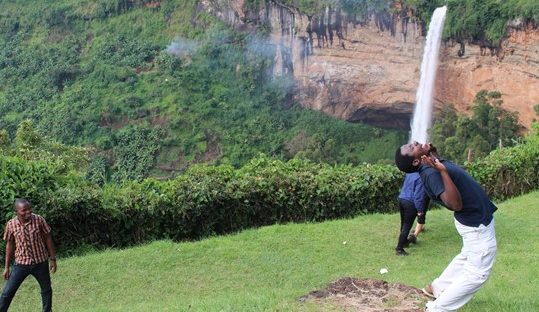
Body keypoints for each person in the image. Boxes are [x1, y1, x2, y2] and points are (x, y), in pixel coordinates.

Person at [395, 141, 497, 312]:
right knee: (477, 274)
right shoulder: (430, 173)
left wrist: (434, 154)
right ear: (416, 162)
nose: (415, 142)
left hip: (475, 219)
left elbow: (447, 172)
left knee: (467, 256)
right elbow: (454, 203)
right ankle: (437, 309)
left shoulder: (429, 165)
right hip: (475, 223)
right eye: (412, 147)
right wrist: (441, 171)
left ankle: (436, 288)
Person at [0, 199, 57, 312]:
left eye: (30, 209)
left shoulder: (39, 219)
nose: (28, 212)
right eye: (24, 210)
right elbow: (9, 245)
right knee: (7, 292)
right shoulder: (11, 225)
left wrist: (53, 259)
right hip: (21, 264)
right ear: (16, 211)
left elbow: (48, 238)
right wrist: (6, 267)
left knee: (46, 290)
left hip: (40, 262)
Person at [396, 172, 429, 256]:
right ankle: (399, 249)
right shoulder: (422, 178)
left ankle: (404, 242)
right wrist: (420, 210)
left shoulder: (410, 172)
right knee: (407, 226)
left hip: (402, 199)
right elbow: (418, 196)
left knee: (403, 224)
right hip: (410, 203)